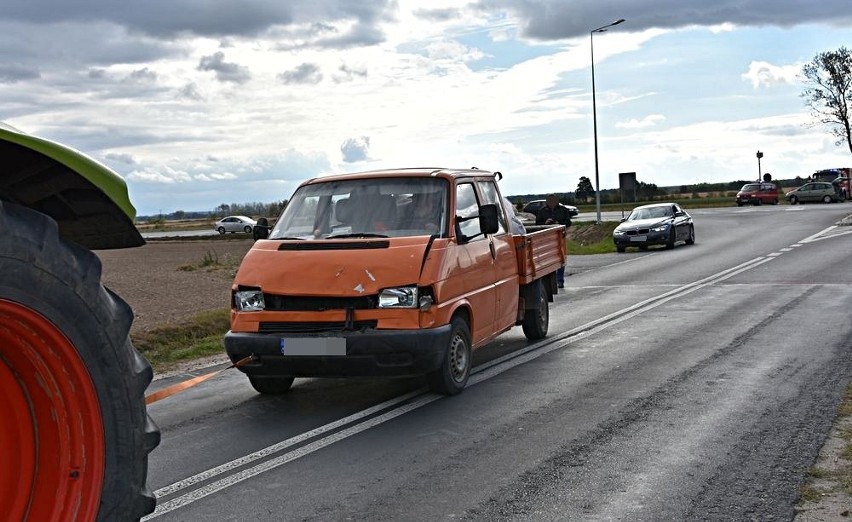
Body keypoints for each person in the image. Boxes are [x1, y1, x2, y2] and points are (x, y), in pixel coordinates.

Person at [535, 194, 570, 288]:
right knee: (548, 259)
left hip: (560, 236)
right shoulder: (542, 211)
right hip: (547, 238)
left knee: (561, 258)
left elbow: (568, 222)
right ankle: (550, 281)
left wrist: (560, 223)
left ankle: (560, 280)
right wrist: (545, 223)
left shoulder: (563, 210)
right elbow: (537, 223)